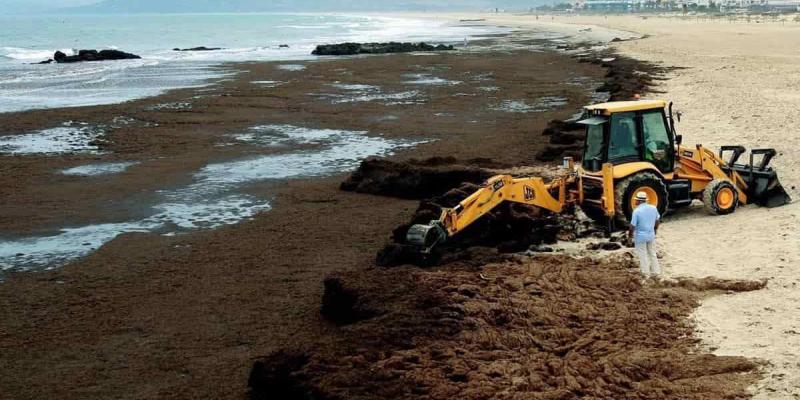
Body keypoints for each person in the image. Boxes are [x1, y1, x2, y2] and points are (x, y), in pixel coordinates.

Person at [629, 191, 661, 279]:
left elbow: (632, 226)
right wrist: (655, 229)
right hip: (651, 235)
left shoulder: (636, 211)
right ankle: (656, 272)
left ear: (639, 201)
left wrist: (629, 236)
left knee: (643, 255)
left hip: (640, 237)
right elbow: (657, 220)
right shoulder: (653, 208)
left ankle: (646, 273)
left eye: (636, 200)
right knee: (652, 253)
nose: (635, 202)